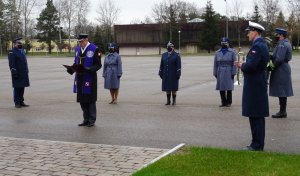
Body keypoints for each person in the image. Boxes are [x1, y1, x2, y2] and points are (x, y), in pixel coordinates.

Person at [236, 21, 269, 151]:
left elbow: (250, 67)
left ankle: (257, 145)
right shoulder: (260, 45)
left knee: (256, 116)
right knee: (256, 115)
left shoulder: (258, 46)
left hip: (255, 86)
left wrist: (241, 65)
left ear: (255, 32)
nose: (248, 34)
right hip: (257, 84)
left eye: (249, 32)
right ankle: (256, 143)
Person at [66, 34, 102, 127]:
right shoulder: (78, 49)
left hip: (90, 78)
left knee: (90, 100)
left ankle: (92, 120)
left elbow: (98, 65)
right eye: (79, 42)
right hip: (80, 78)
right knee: (82, 100)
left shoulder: (94, 48)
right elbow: (76, 62)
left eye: (81, 41)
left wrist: (89, 69)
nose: (80, 43)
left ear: (86, 39)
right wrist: (70, 69)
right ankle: (85, 119)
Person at [269, 28, 293, 118]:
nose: (276, 36)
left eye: (277, 34)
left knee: (282, 90)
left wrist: (270, 67)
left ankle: (282, 111)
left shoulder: (283, 45)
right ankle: (282, 111)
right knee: (281, 90)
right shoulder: (283, 43)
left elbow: (279, 59)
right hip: (282, 68)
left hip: (281, 69)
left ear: (281, 35)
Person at [213, 37, 237, 107]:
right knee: (221, 87)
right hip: (220, 71)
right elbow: (215, 64)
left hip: (229, 70)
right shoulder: (217, 52)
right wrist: (215, 73)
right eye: (222, 43)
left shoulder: (232, 52)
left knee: (229, 87)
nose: (224, 44)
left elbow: (234, 63)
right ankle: (223, 102)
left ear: (228, 43)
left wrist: (233, 72)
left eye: (225, 43)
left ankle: (229, 102)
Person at [8, 37, 30, 108]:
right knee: (17, 88)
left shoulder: (21, 51)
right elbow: (12, 63)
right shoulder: (12, 52)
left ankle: (21, 101)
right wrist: (14, 72)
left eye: (21, 43)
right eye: (19, 43)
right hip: (17, 72)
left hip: (23, 72)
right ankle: (17, 102)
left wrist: (26, 69)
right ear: (14, 44)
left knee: (22, 87)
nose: (20, 44)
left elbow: (24, 61)